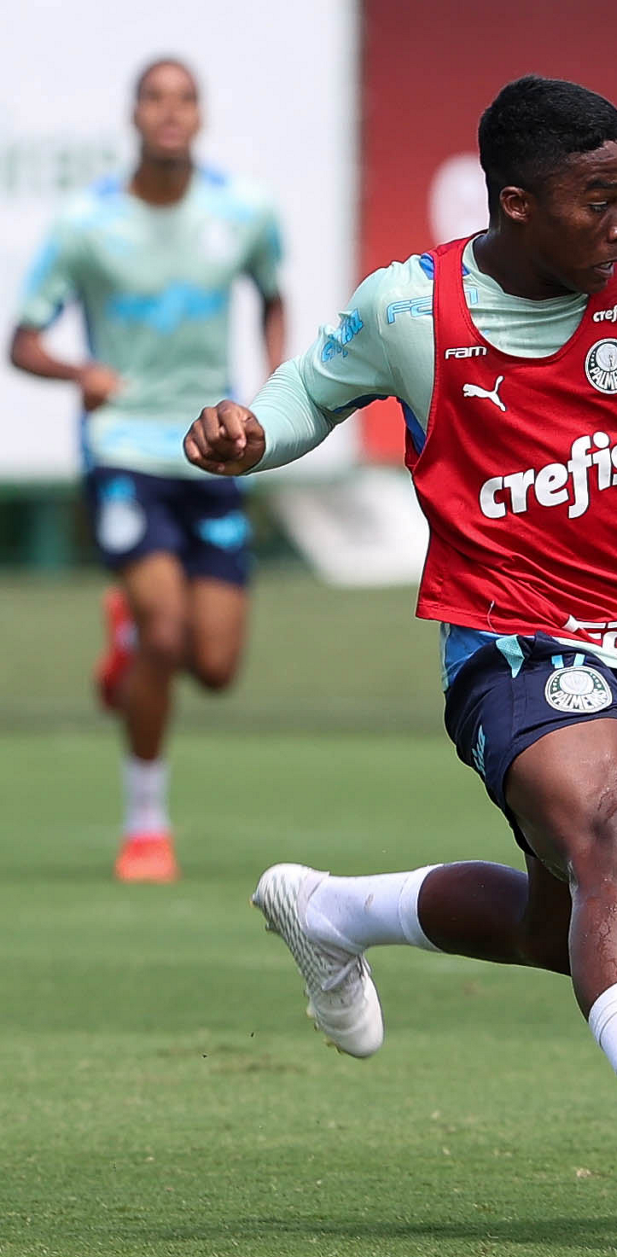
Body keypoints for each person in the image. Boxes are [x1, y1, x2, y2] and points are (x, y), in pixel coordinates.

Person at [184, 75, 617, 1206]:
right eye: (598, 201)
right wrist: (246, 431)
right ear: (516, 203)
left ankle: (331, 911)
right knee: (608, 834)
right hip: (510, 640)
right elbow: (305, 396)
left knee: (566, 921)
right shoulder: (412, 310)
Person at [10, 58, 286, 883]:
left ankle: (126, 638)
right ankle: (146, 828)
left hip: (211, 448)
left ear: (200, 116)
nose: (170, 112)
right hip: (124, 449)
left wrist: (274, 390)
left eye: (184, 99)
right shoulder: (86, 224)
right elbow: (23, 340)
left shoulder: (244, 212)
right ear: (134, 115)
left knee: (215, 667)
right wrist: (78, 373)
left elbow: (273, 295)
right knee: (166, 634)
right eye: (155, 99)